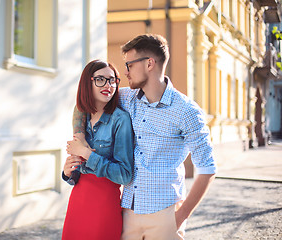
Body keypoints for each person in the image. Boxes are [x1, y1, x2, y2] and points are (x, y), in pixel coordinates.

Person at [73, 34, 217, 239]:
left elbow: (207, 169)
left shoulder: (186, 111)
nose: (125, 72)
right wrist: (79, 138)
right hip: (128, 211)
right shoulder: (125, 98)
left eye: (129, 65)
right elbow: (83, 103)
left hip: (165, 214)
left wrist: (180, 217)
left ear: (149, 63)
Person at [61, 60, 134, 240]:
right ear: (88, 82)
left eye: (112, 80)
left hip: (104, 204)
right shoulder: (81, 115)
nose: (108, 85)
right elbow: (76, 174)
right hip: (78, 200)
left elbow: (125, 175)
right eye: (100, 79)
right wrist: (66, 171)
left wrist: (87, 154)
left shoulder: (120, 120)